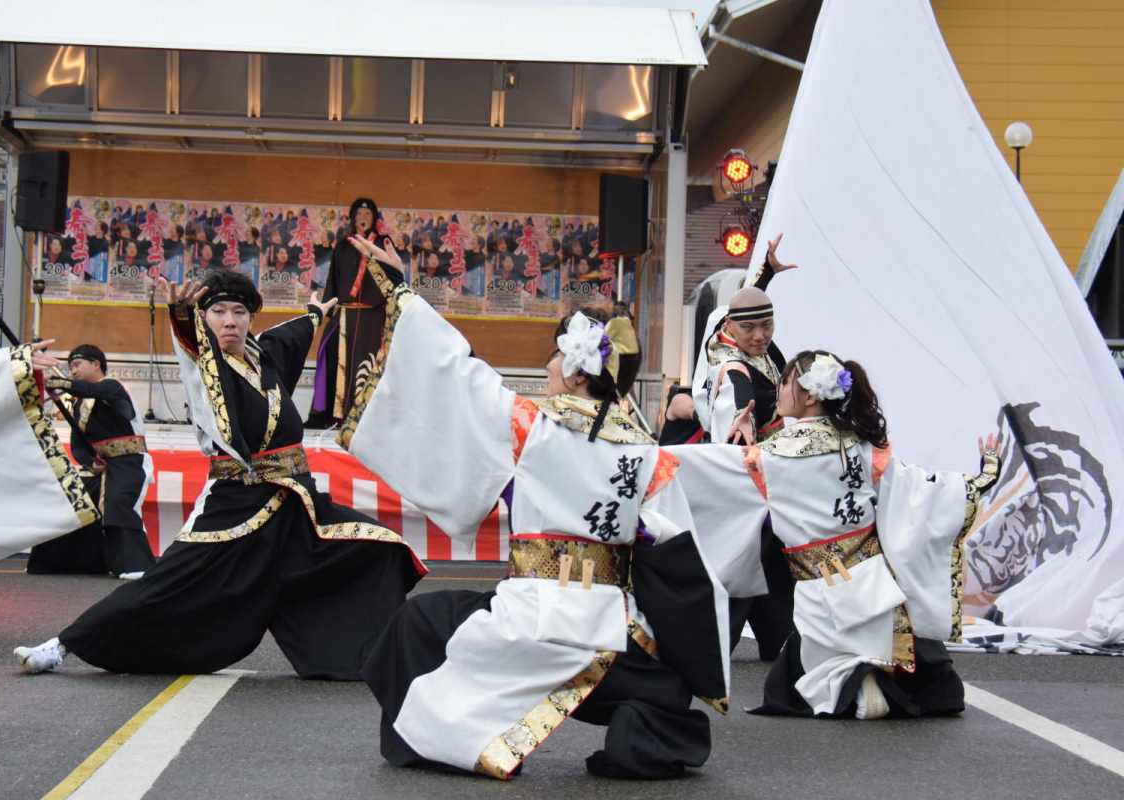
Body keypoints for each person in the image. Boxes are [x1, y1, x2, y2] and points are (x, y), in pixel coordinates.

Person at [337, 235, 731, 781]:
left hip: (528, 613)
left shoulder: (530, 426)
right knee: (658, 687)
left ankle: (433, 738)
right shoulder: (648, 453)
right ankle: (649, 723)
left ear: (574, 372)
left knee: (419, 621)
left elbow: (454, 371)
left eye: (553, 356)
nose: (546, 368)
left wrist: (400, 290)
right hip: (612, 631)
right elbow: (678, 547)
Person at [12, 271, 424, 678]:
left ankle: (377, 653)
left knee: (378, 547)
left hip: (297, 503)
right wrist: (181, 312)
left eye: (239, 311)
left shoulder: (266, 357)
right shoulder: (206, 365)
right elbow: (192, 344)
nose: (229, 320)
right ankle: (62, 645)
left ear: (250, 319)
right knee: (166, 584)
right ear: (204, 319)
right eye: (218, 311)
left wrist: (315, 313)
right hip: (236, 502)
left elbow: (295, 332)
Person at [671, 350, 1001, 720]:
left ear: (810, 395)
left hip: (819, 591)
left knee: (789, 689)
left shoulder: (772, 457)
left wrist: (643, 462)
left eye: (785, 383)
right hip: (878, 587)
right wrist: (984, 475)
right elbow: (919, 492)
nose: (778, 390)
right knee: (925, 674)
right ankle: (871, 675)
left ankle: (854, 686)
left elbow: (703, 471)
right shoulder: (862, 444)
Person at [687, 233, 800, 661]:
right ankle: (709, 641)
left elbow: (744, 303)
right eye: (749, 327)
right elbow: (732, 407)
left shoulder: (727, 328)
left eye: (766, 325)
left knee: (766, 555)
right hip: (746, 470)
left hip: (766, 472)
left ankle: (778, 636)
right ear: (730, 328)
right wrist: (739, 429)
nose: (759, 335)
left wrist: (765, 273)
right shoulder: (732, 366)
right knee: (743, 556)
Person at [27, 345, 156, 579]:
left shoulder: (113, 388)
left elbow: (89, 389)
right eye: (69, 368)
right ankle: (61, 562)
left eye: (77, 365)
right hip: (102, 468)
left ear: (96, 364)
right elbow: (79, 444)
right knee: (72, 500)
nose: (73, 371)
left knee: (117, 503)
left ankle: (136, 565)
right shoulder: (79, 404)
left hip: (129, 462)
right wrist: (90, 462)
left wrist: (60, 384)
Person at [312, 197, 404, 427]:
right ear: (353, 218)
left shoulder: (383, 243)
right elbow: (334, 278)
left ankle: (368, 418)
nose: (362, 218)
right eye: (359, 215)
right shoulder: (343, 245)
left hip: (373, 315)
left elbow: (392, 276)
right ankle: (329, 416)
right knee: (330, 354)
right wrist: (327, 309)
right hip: (345, 314)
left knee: (372, 364)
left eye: (367, 215)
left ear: (374, 218)